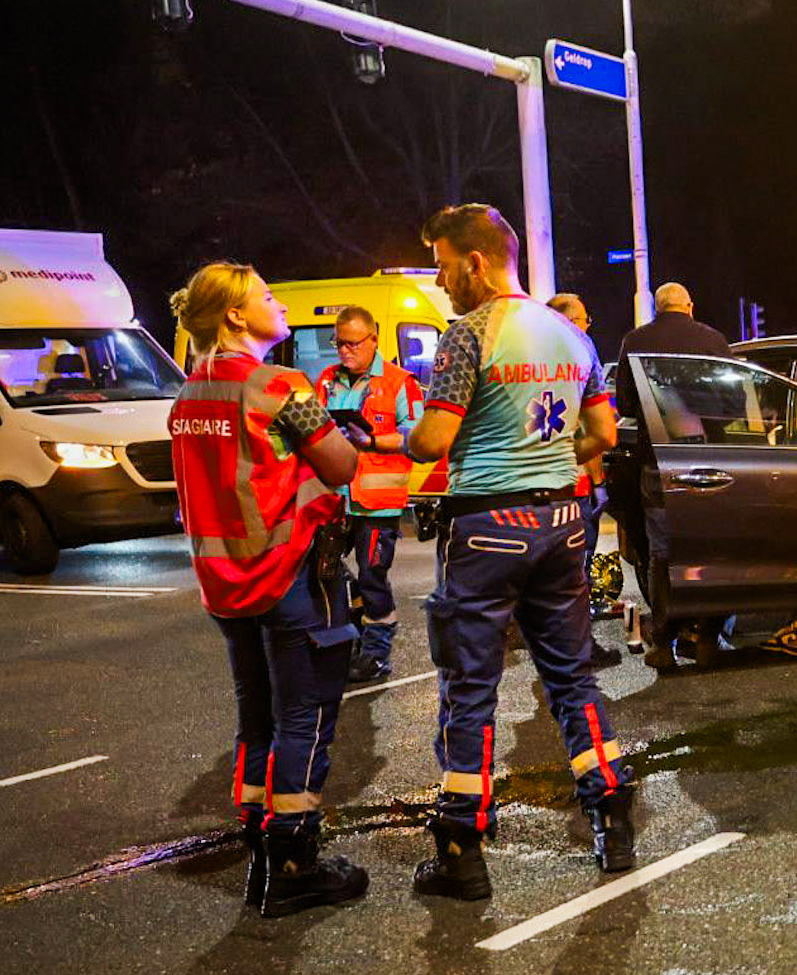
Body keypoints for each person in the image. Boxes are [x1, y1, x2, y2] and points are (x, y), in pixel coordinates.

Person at [405, 204, 633, 897]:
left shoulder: (468, 335)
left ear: (476, 262)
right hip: (562, 520)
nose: (441, 281)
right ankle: (611, 813)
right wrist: (550, 457)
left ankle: (461, 848)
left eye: (445, 265)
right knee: (572, 678)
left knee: (470, 688)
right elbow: (603, 434)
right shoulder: (573, 335)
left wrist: (405, 434)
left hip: (485, 526)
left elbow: (433, 441)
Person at [167, 262, 370, 918]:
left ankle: (258, 836)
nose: (278, 304)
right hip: (287, 574)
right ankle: (294, 862)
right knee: (304, 715)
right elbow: (340, 462)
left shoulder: (189, 395)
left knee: (255, 716)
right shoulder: (278, 385)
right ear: (235, 315)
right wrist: (346, 439)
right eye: (266, 296)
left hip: (223, 582)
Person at [610, 281, 731, 667]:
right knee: (707, 547)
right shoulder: (713, 341)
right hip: (708, 461)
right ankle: (708, 638)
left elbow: (625, 404)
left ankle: (665, 642)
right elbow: (733, 402)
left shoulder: (635, 341)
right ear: (689, 306)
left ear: (657, 309)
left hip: (658, 462)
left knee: (662, 553)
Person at [315, 305, 425, 684]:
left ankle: (376, 653)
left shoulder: (399, 382)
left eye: (352, 343)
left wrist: (372, 441)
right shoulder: (327, 380)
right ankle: (348, 639)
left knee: (373, 576)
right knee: (325, 570)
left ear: (373, 340)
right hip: (335, 500)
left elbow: (417, 436)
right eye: (339, 343)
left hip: (377, 506)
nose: (344, 351)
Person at [547, 292, 613, 605]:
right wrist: (599, 482)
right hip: (575, 485)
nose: (588, 326)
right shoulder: (581, 357)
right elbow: (598, 432)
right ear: (573, 322)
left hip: (532, 488)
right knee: (577, 566)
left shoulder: (528, 357)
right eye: (586, 320)